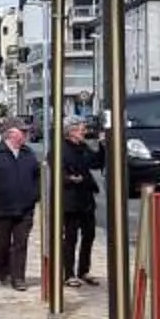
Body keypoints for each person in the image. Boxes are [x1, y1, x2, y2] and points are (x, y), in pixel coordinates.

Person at [0, 123, 43, 292]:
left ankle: (18, 278)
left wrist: (35, 195)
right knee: (2, 244)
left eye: (26, 131)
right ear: (10, 134)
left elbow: (37, 176)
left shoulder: (28, 153)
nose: (26, 134)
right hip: (3, 208)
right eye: (22, 132)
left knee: (20, 244)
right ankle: (2, 273)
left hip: (25, 208)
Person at [59, 119, 102, 287]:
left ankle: (84, 270)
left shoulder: (83, 147)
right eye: (81, 130)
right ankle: (69, 274)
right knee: (70, 238)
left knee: (89, 235)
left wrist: (103, 146)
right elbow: (55, 173)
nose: (84, 132)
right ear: (71, 131)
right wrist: (69, 178)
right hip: (69, 200)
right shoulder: (60, 149)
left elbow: (95, 163)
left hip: (85, 198)